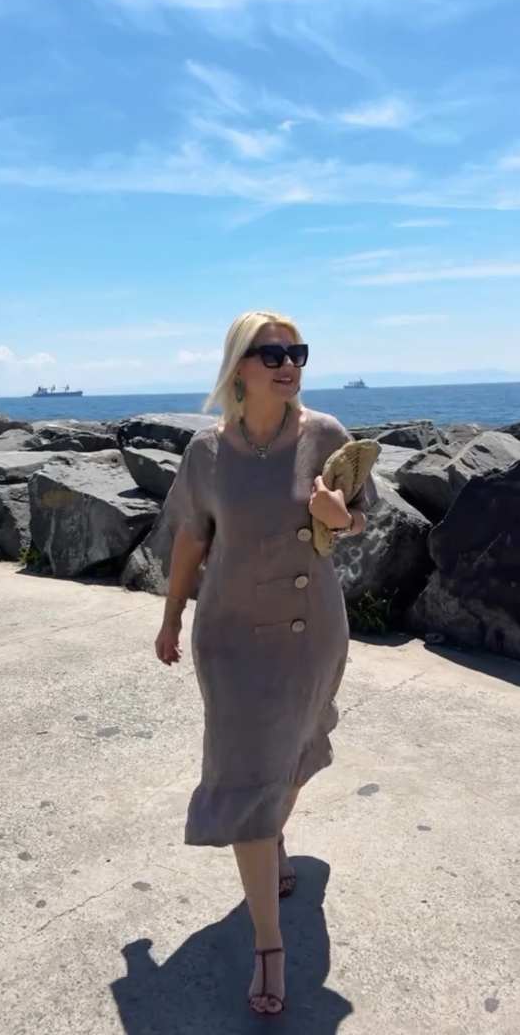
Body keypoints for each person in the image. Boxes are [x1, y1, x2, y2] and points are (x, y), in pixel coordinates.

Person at [154, 310, 375, 1016]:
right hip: (230, 637)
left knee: (289, 754)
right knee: (247, 772)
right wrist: (171, 614)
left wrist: (339, 518)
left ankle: (272, 829)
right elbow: (191, 537)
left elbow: (359, 515)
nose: (288, 364)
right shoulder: (206, 452)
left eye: (296, 352)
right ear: (239, 367)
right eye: (271, 353)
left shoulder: (326, 435)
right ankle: (269, 945)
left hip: (310, 633)